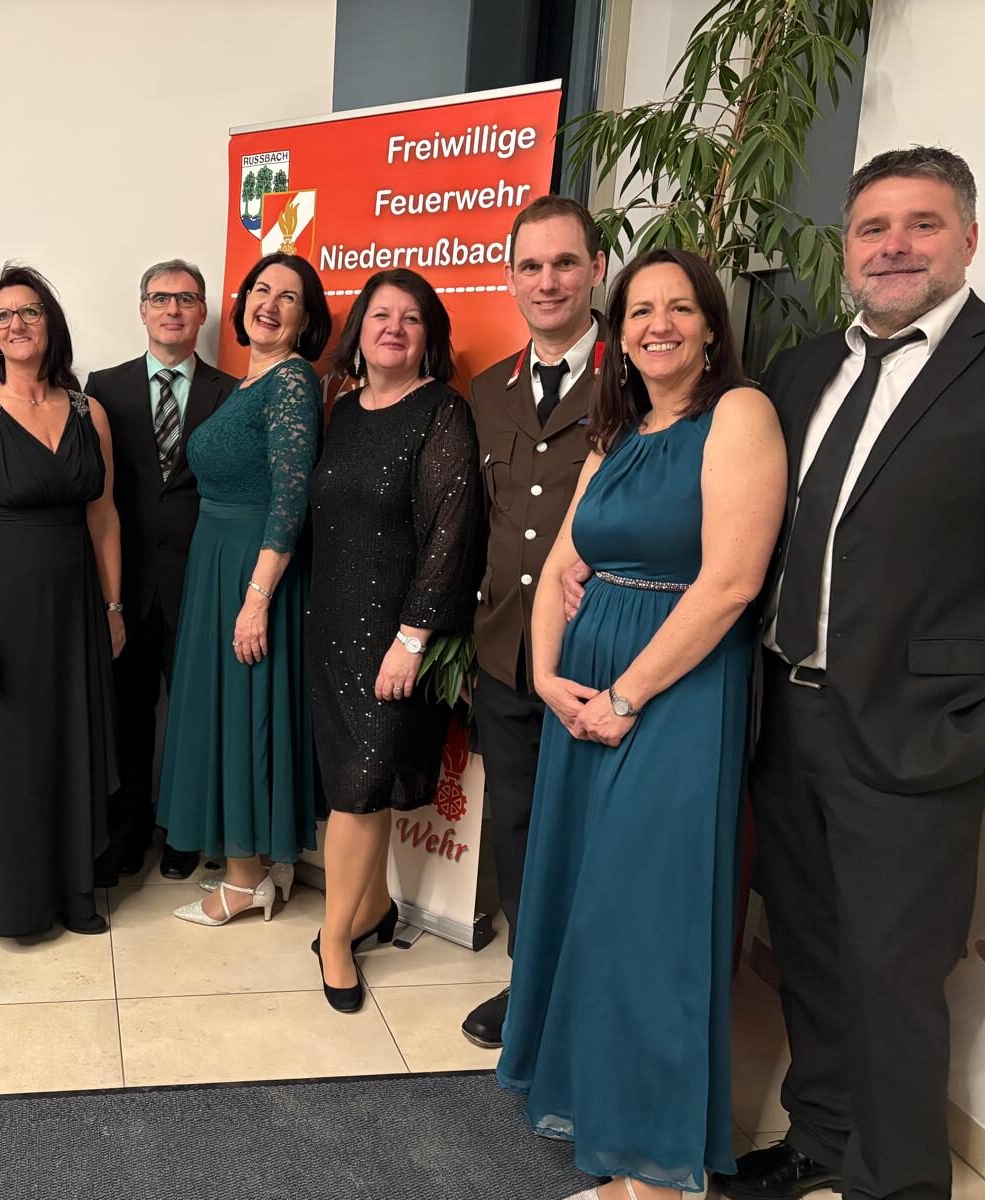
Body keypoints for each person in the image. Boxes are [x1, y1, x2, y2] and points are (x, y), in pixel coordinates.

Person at [713, 147, 985, 1200]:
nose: (894, 246)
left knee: (893, 978)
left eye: (921, 224)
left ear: (968, 238)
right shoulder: (799, 371)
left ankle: (899, 1184)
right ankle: (823, 1140)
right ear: (846, 247)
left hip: (922, 731)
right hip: (786, 716)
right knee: (809, 950)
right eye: (872, 228)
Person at [498, 248, 785, 1197]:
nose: (659, 325)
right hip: (585, 689)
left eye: (680, 308)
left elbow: (732, 584)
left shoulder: (738, 415)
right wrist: (548, 676)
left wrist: (626, 696)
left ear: (710, 327)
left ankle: (657, 1173)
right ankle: (603, 1112)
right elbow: (561, 560)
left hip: (676, 688)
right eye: (640, 312)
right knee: (589, 903)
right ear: (617, 336)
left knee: (647, 918)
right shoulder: (615, 430)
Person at [0, 264, 123, 936]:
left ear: (50, 324)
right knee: (7, 756)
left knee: (68, 746)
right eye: (3, 316)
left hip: (74, 611)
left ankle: (73, 891)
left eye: (30, 312)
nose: (16, 325)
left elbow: (104, 518)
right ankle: (11, 902)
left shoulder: (88, 411)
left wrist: (113, 608)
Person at [307, 268, 480, 1010]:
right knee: (357, 785)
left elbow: (450, 532)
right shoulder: (343, 409)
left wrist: (412, 639)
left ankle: (334, 940)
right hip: (330, 626)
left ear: (428, 337)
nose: (394, 329)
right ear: (360, 331)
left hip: (395, 634)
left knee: (361, 784)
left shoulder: (442, 411)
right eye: (381, 315)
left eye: (411, 318)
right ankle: (372, 907)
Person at [459, 196, 610, 1047]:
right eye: (530, 266)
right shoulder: (490, 389)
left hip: (600, 651)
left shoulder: (639, 374)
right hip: (507, 649)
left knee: (594, 831)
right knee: (515, 825)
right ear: (511, 278)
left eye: (564, 263)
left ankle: (590, 997)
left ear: (596, 269)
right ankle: (531, 984)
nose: (547, 282)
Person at [157, 252, 330, 926]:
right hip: (217, 562)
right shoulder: (249, 382)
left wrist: (256, 599)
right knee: (227, 712)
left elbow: (291, 499)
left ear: (304, 319)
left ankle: (243, 880)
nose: (270, 304)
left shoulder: (291, 381)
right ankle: (255, 864)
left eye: (288, 297)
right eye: (262, 289)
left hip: (253, 570)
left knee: (244, 713)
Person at [84, 258, 239, 884]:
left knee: (194, 715)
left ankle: (184, 832)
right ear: (142, 310)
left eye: (186, 298)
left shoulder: (231, 392)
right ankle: (125, 834)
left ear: (202, 313)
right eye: (160, 298)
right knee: (125, 714)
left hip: (200, 580)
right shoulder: (103, 387)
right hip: (122, 582)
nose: (172, 309)